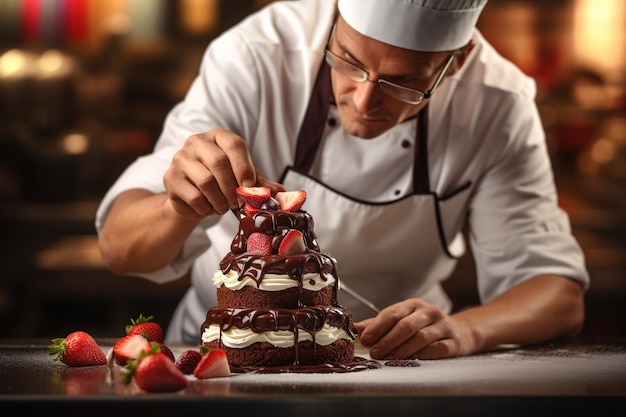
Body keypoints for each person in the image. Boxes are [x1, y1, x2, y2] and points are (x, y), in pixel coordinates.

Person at [96, 0, 589, 360]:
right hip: (227, 358)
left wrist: (464, 332)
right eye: (349, 61)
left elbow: (556, 293)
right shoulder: (255, 55)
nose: (364, 100)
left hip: (394, 363)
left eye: (404, 83)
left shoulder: (498, 102)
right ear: (333, 20)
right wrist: (179, 206)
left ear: (455, 63)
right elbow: (120, 249)